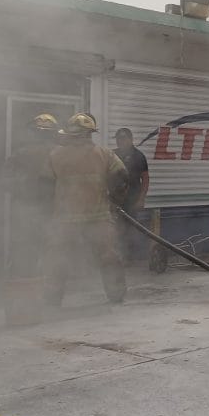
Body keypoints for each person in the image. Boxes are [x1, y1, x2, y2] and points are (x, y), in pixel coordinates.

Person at [40, 112, 129, 306]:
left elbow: (44, 186)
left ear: (70, 133)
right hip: (98, 217)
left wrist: (50, 210)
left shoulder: (55, 155)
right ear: (90, 133)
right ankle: (115, 294)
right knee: (108, 256)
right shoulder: (104, 154)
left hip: (65, 219)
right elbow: (122, 178)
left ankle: (52, 298)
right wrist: (115, 201)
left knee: (58, 258)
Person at [2, 113, 59, 279]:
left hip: (26, 209)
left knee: (24, 248)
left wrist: (23, 189)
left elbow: (5, 182)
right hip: (52, 209)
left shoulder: (19, 154)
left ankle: (23, 283)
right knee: (52, 248)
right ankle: (50, 285)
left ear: (33, 132)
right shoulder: (61, 154)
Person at [114, 127, 150, 260]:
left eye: (123, 139)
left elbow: (145, 179)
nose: (120, 141)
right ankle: (116, 255)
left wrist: (141, 199)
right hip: (115, 199)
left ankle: (129, 256)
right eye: (118, 139)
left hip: (131, 200)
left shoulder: (138, 156)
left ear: (130, 139)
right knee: (115, 227)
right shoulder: (113, 155)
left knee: (130, 228)